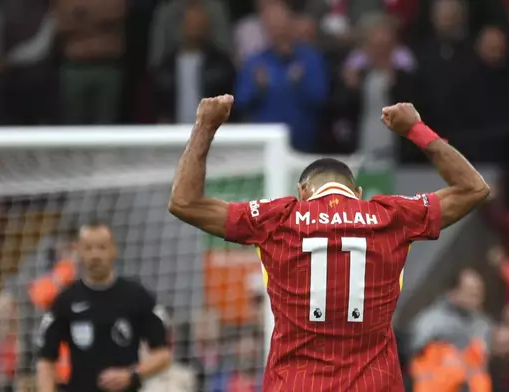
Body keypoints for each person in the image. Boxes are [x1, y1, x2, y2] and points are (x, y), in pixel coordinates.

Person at [168, 95, 489, 391]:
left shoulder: (278, 219)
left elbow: (184, 203)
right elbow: (473, 189)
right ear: (358, 193)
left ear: (302, 192)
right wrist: (415, 129)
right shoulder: (391, 217)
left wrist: (205, 125)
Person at [35, 222, 172, 392]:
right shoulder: (65, 301)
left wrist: (132, 374)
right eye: (88, 248)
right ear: (78, 251)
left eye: (101, 247)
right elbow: (46, 360)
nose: (95, 255)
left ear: (114, 250)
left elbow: (163, 355)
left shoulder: (137, 295)